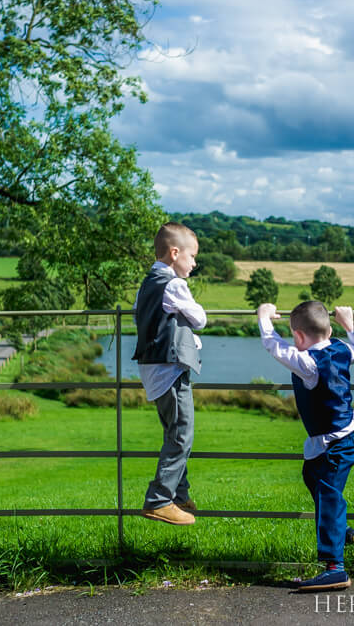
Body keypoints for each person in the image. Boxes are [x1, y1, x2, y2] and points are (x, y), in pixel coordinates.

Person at [257, 300, 354, 592]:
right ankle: (340, 530)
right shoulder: (342, 348)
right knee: (311, 476)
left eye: (294, 336)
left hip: (336, 440)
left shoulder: (307, 363)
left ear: (299, 337)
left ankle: (334, 567)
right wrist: (349, 324)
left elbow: (273, 346)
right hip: (344, 436)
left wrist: (264, 317)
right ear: (329, 330)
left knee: (328, 494)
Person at [133, 222, 205, 526]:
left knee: (174, 432)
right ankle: (160, 499)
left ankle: (179, 493)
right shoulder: (174, 284)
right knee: (182, 433)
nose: (194, 263)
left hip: (152, 366)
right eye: (192, 256)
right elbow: (199, 319)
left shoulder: (147, 283)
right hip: (170, 369)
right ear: (175, 253)